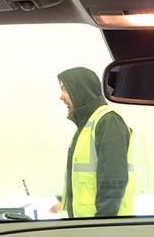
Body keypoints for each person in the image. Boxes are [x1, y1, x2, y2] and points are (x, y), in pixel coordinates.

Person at [54, 67, 134, 218]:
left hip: (103, 227)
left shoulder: (108, 122)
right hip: (87, 226)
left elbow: (113, 183)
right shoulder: (85, 126)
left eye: (65, 89)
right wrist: (64, 202)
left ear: (80, 90)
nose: (61, 96)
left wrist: (100, 224)